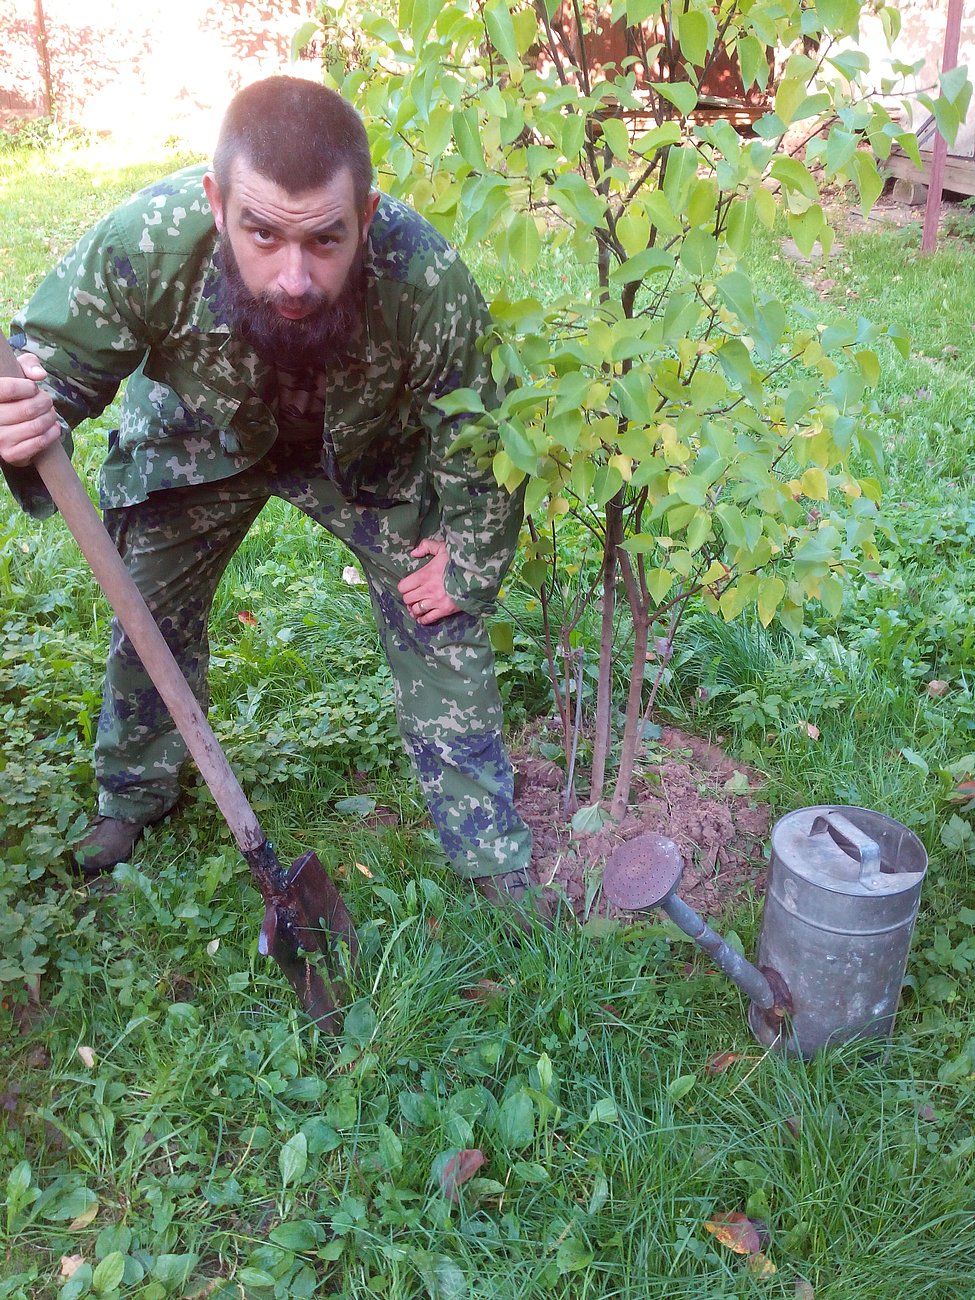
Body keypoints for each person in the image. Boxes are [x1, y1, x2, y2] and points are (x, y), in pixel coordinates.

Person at [0, 76, 541, 922]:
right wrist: (27, 416)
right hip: (197, 444)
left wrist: (469, 557)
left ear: (365, 215)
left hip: (363, 459)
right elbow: (54, 368)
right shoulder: (148, 242)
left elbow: (477, 424)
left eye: (325, 239)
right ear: (217, 206)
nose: (293, 278)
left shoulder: (421, 275)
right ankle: (133, 795)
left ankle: (486, 847)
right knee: (147, 611)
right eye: (261, 234)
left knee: (439, 613)